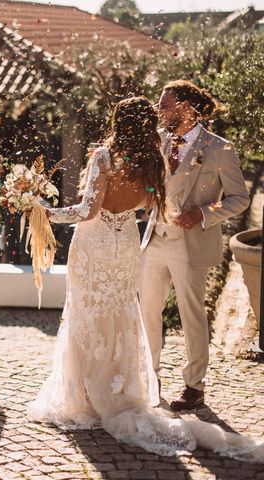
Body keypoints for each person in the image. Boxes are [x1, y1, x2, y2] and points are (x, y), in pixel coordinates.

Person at [29, 97, 263, 461]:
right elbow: (151, 203)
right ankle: (120, 387)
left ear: (117, 121)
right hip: (126, 243)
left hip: (95, 244)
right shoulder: (154, 161)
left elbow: (87, 210)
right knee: (122, 312)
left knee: (88, 312)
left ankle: (87, 397)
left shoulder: (103, 157)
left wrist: (41, 211)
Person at [139, 80, 250, 411]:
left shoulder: (219, 148)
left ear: (186, 108)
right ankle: (150, 376)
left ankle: (194, 385)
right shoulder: (157, 142)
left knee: (192, 314)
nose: (161, 112)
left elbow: (239, 199)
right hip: (155, 238)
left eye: (166, 105)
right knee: (147, 311)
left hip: (190, 243)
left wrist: (203, 213)